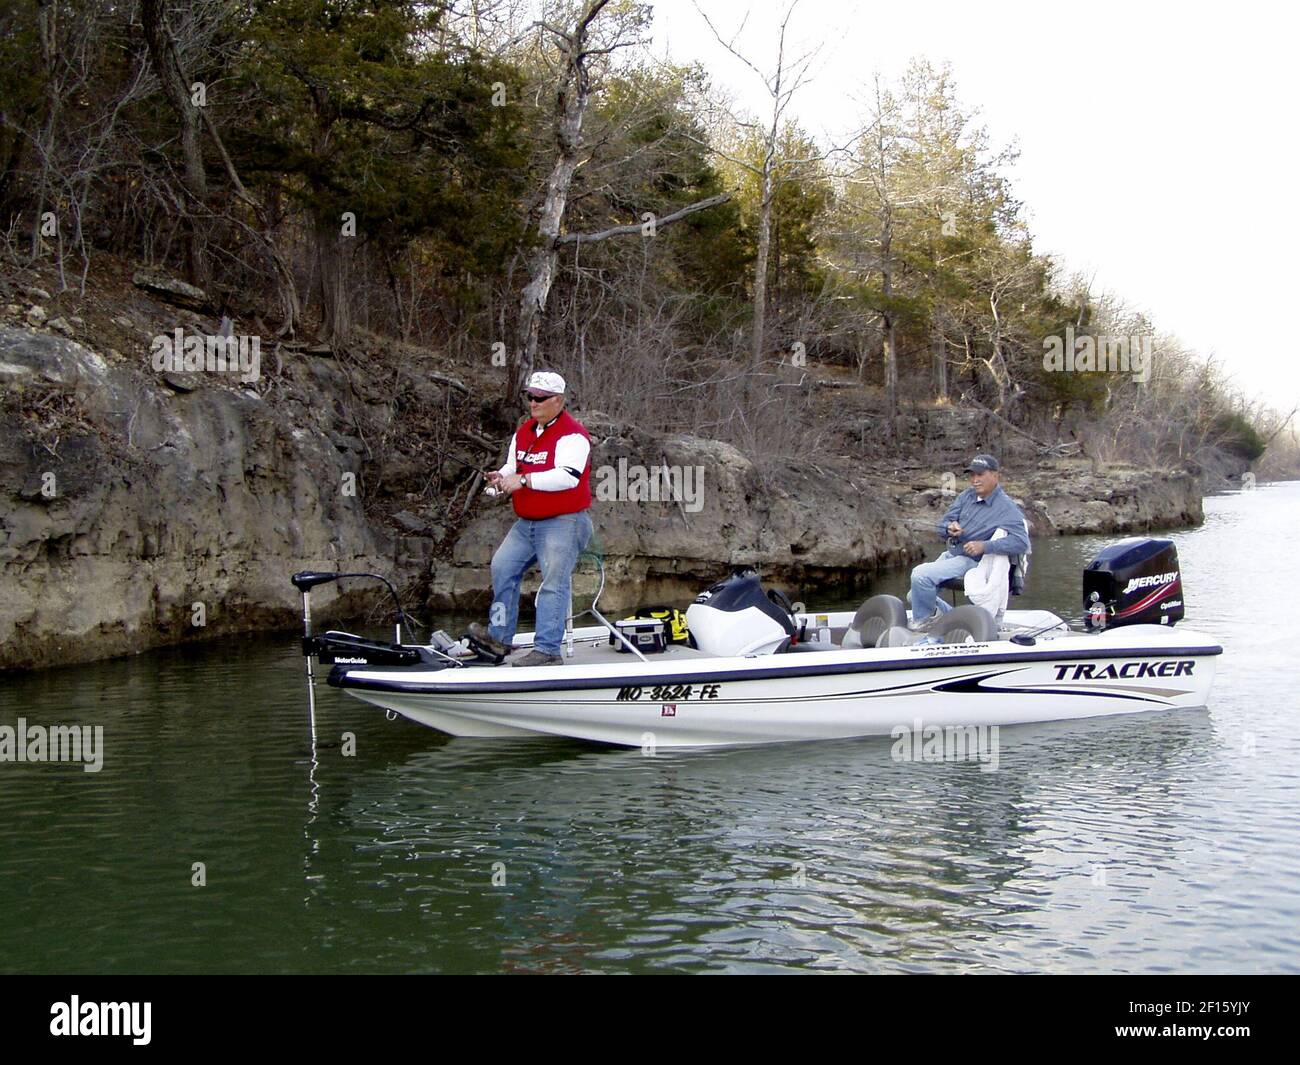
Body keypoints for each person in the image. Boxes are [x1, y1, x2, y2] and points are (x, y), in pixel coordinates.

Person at [468, 371, 593, 666]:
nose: (533, 403)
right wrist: (502, 478)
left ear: (558, 401)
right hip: (527, 522)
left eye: (540, 398)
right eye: (530, 397)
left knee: (553, 581)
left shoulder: (573, 436)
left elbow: (568, 477)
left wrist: (523, 481)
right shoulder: (523, 431)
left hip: (564, 521)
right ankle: (499, 640)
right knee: (502, 567)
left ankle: (548, 650)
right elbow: (514, 466)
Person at [908, 453, 1029, 628]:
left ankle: (923, 624)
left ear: (995, 476)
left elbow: (1021, 542)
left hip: (973, 562)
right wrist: (949, 528)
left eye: (980, 475)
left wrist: (984, 546)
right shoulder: (966, 496)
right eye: (972, 475)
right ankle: (955, 620)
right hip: (953, 554)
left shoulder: (1007, 507)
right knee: (914, 596)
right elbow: (942, 526)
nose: (975, 480)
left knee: (920, 575)